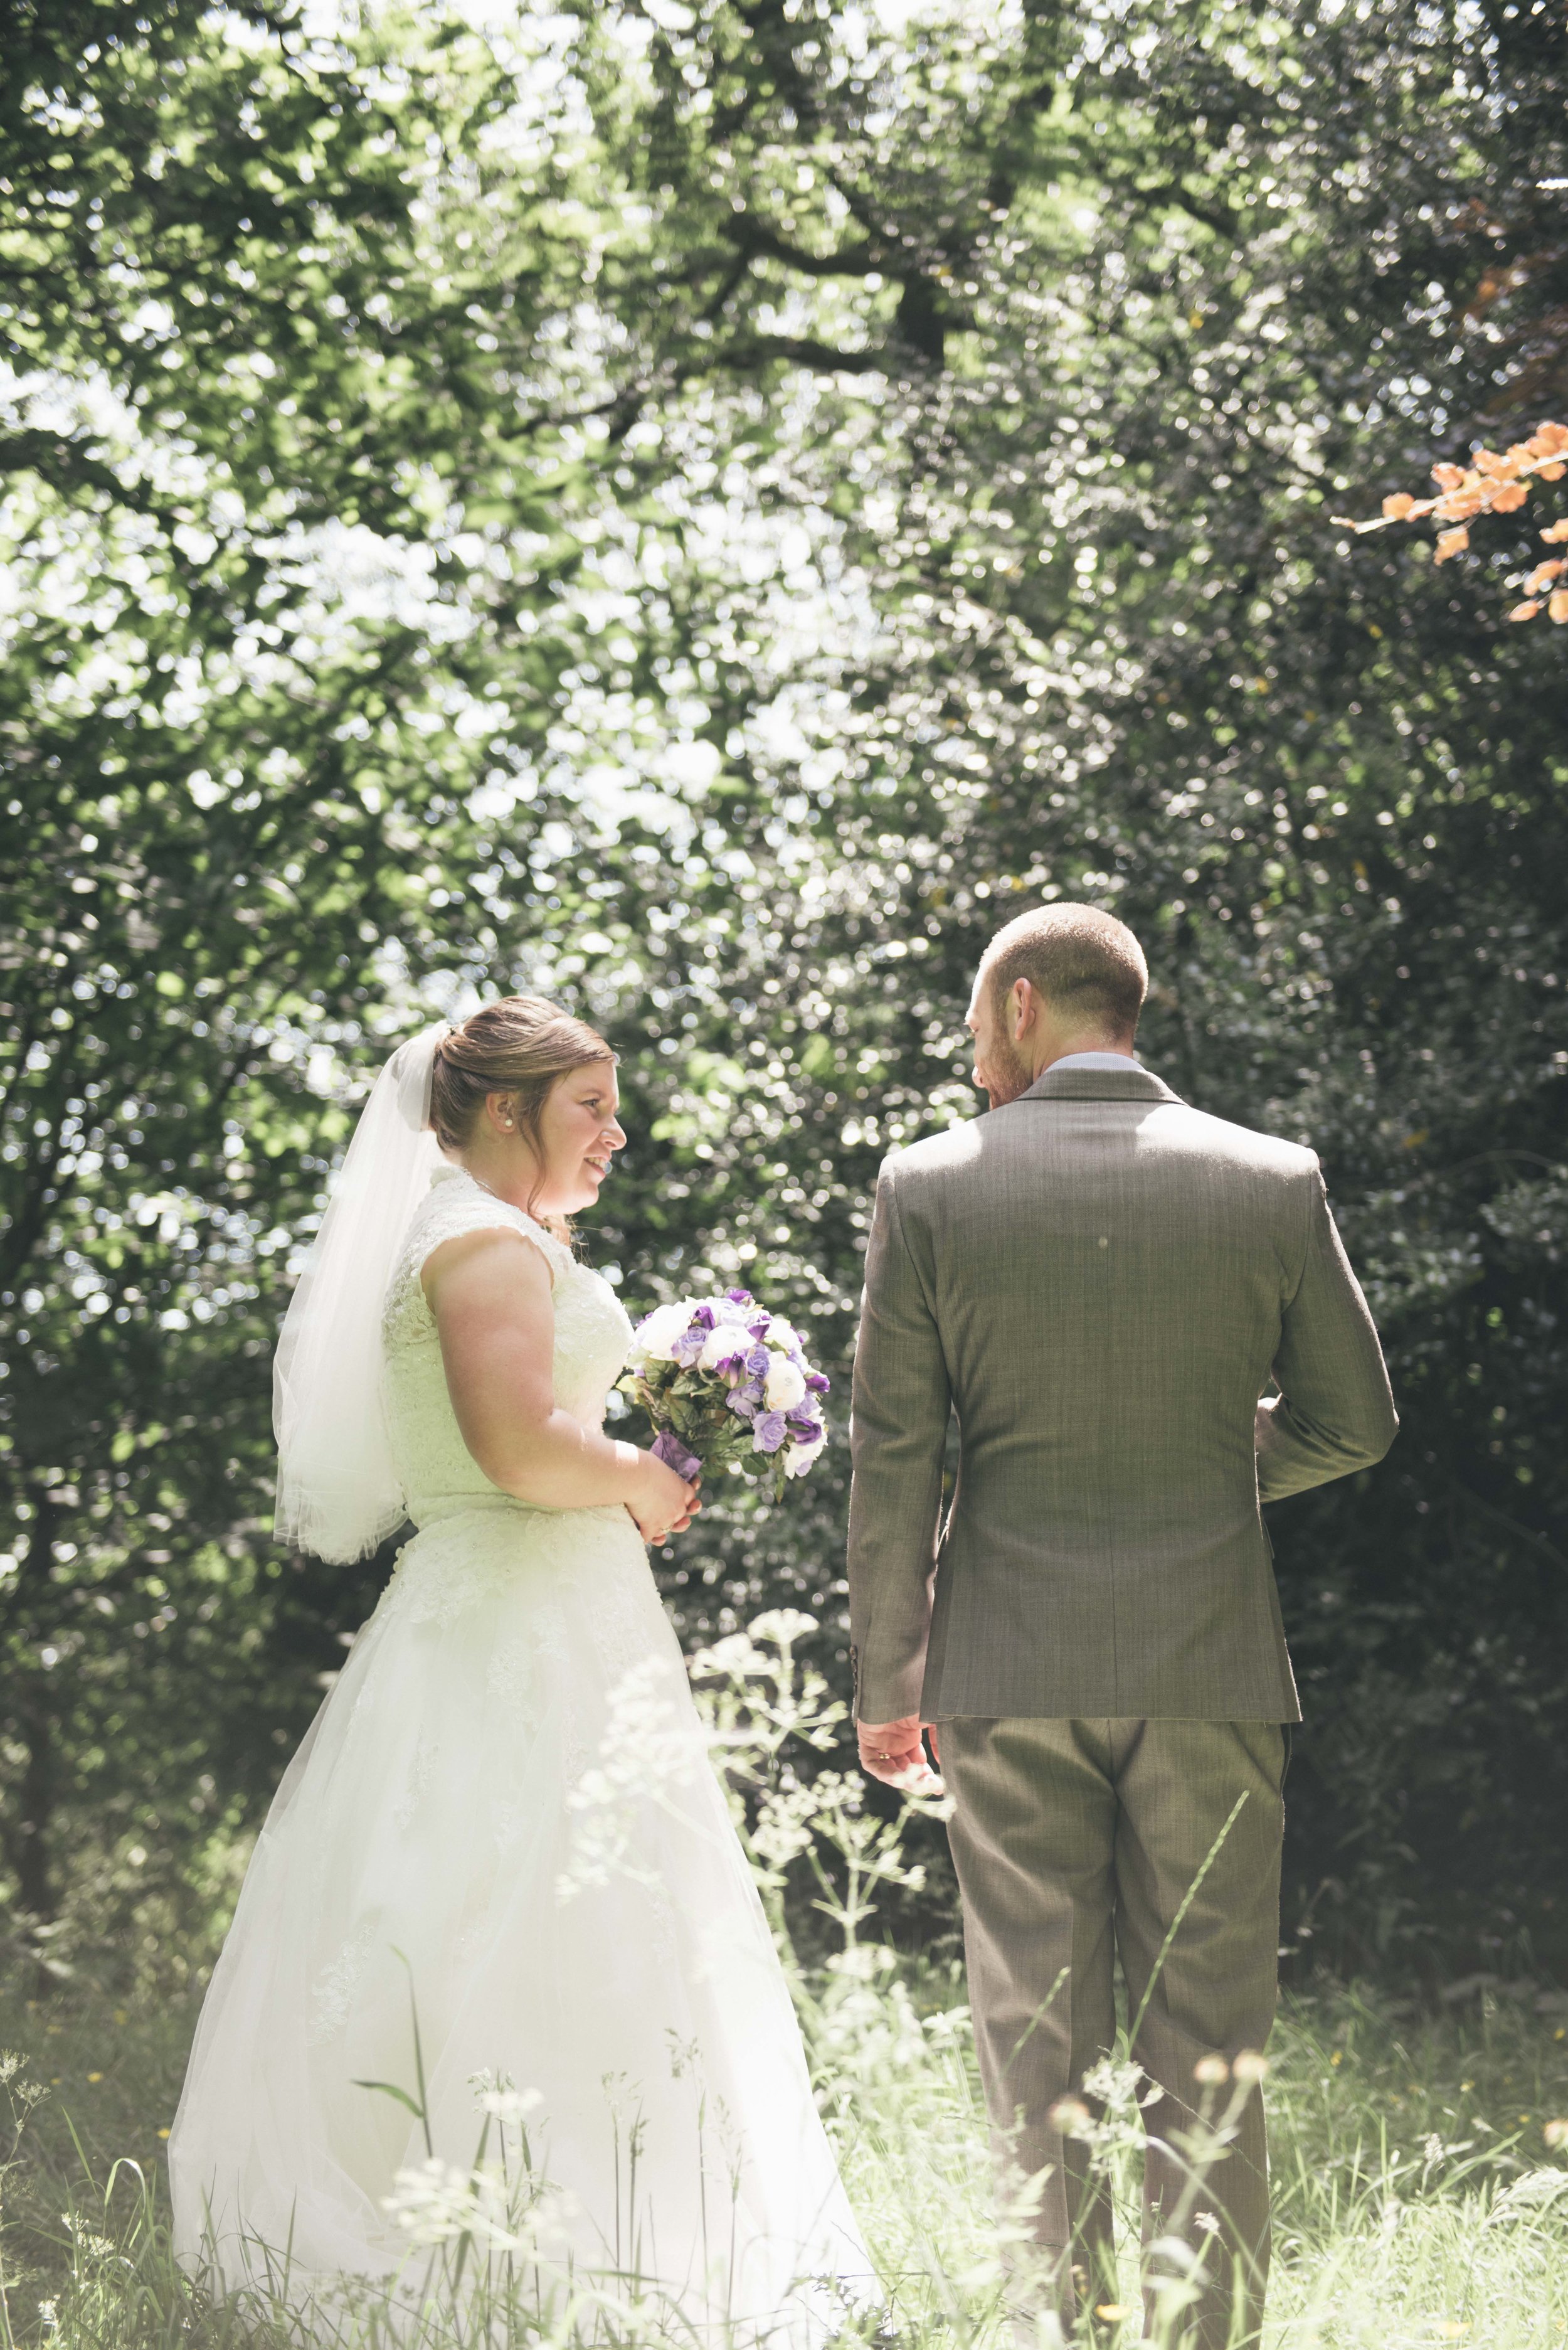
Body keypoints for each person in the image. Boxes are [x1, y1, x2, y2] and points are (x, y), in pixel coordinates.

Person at [170, 997, 870, 2337]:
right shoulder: (481, 1243)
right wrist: (652, 1476)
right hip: (513, 1613)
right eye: (589, 1106)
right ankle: (519, 2252)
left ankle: (600, 2226)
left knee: (563, 1909)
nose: (614, 1131)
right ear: (506, 1109)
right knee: (523, 1909)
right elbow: (517, 1445)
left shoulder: (487, 1233)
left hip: (526, 1602)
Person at [846, 907, 1397, 2348]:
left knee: (1034, 2047)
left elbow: (893, 1456)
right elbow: (1356, 1419)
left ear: (1022, 1005)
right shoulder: (1270, 1177)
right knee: (1208, 2051)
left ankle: (1061, 2334)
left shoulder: (927, 1186)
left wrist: (885, 1676)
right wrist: (1216, 1468)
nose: (974, 1059)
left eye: (976, 1027)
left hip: (1005, 1663)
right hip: (1207, 1662)